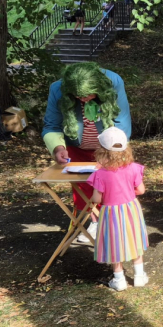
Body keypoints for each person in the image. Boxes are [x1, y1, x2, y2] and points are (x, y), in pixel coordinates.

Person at [42, 62, 131, 244]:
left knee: (113, 186)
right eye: (77, 96)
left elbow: (122, 120)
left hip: (109, 148)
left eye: (88, 95)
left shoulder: (113, 81)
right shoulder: (57, 89)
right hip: (77, 149)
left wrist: (113, 152)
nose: (83, 100)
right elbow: (51, 125)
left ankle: (114, 224)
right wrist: (58, 148)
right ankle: (92, 223)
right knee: (83, 189)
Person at [87, 127, 148, 291]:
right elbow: (141, 190)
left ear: (102, 152)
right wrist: (127, 194)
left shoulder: (100, 174)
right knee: (134, 240)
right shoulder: (134, 168)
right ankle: (139, 276)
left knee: (114, 244)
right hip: (131, 209)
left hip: (111, 212)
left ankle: (119, 279)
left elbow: (97, 199)